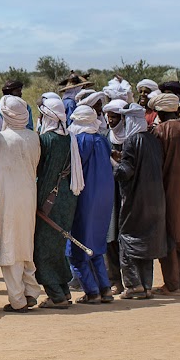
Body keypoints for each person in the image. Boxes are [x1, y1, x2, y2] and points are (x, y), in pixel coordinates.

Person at [106, 100, 167, 299]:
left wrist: (113, 163)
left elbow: (126, 172)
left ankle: (133, 285)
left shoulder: (132, 141)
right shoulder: (153, 139)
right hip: (155, 199)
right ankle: (146, 286)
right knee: (146, 243)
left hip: (136, 201)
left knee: (128, 240)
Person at [0, 96, 43, 312]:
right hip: (29, 196)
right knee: (25, 244)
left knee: (10, 246)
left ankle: (18, 300)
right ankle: (31, 292)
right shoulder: (34, 137)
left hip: (7, 198)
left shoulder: (1, 139)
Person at [34, 97, 84, 309]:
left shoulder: (48, 140)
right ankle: (63, 290)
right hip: (66, 197)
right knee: (57, 246)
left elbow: (43, 174)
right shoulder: (69, 137)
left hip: (49, 200)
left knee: (43, 248)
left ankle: (57, 295)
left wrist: (36, 202)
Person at [149, 91, 180, 296]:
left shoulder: (159, 132)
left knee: (167, 235)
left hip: (166, 189)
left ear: (159, 112)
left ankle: (172, 284)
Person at [67, 106, 115, 303]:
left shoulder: (80, 140)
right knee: (95, 245)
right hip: (104, 199)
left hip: (85, 198)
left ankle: (92, 291)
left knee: (77, 248)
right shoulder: (102, 140)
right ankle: (105, 289)